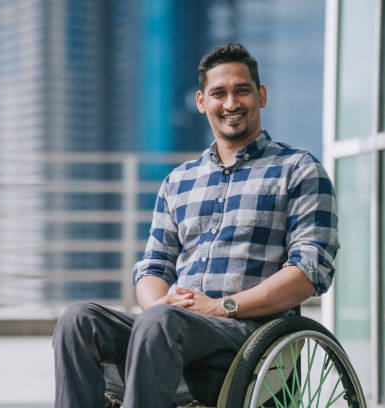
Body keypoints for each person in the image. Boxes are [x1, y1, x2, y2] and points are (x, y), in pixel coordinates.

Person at [52, 43, 339, 408]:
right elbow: (153, 266)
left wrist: (222, 307)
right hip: (171, 330)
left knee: (161, 324)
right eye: (219, 93)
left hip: (249, 336)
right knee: (78, 320)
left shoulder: (299, 170)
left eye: (242, 90)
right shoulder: (178, 181)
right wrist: (160, 304)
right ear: (202, 102)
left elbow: (309, 272)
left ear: (261, 96)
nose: (231, 103)